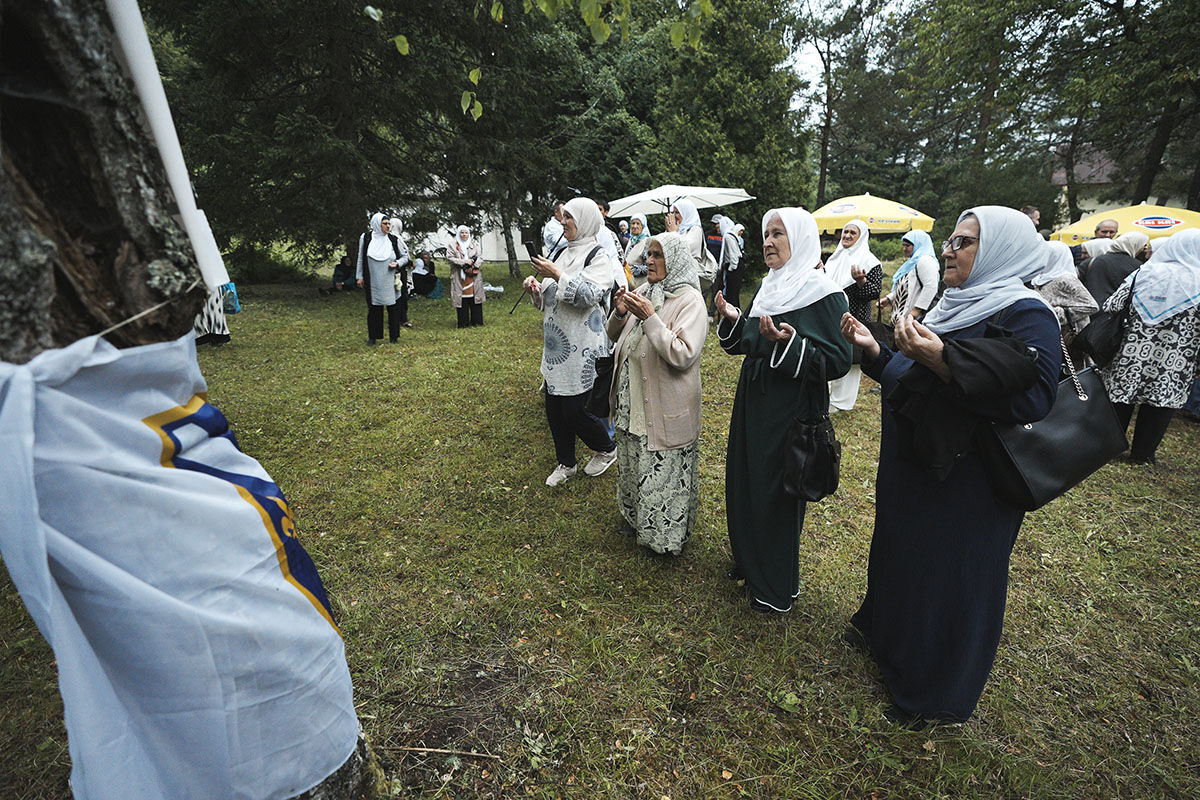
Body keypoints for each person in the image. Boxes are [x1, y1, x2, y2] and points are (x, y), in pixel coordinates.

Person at [840, 206, 1061, 726]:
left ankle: (936, 696)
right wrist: (876, 353)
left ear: (1002, 249)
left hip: (968, 484)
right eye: (951, 241)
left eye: (964, 242)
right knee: (903, 556)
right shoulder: (956, 301)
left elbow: (1033, 400)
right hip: (917, 466)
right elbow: (917, 382)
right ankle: (890, 642)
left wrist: (944, 361)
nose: (949, 249)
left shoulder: (1025, 313)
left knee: (950, 579)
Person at [715, 207, 851, 613]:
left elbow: (839, 359)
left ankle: (774, 585)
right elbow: (752, 340)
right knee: (746, 477)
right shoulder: (770, 285)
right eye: (766, 234)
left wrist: (788, 344)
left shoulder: (822, 292)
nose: (769, 242)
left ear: (801, 239)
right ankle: (749, 561)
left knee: (774, 490)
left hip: (788, 407)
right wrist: (736, 320)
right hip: (754, 400)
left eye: (779, 234)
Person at [606, 232, 708, 555]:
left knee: (661, 469)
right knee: (634, 458)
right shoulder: (648, 290)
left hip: (664, 408)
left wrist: (650, 318)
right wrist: (621, 311)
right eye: (648, 254)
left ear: (675, 260)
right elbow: (612, 334)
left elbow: (682, 354)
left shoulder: (690, 301)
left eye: (657, 255)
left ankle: (663, 540)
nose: (648, 261)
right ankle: (635, 520)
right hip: (632, 400)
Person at [523, 198, 618, 486]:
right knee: (554, 407)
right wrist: (536, 290)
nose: (563, 222)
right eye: (563, 217)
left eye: (570, 218)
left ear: (586, 220)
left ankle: (606, 449)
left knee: (575, 409)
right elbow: (551, 299)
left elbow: (589, 296)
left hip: (583, 345)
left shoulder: (599, 256)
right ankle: (566, 463)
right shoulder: (564, 252)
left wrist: (556, 274)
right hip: (556, 347)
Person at [1100, 229, 1200, 464]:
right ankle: (1142, 455)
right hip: (1177, 356)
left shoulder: (1143, 272)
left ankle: (1109, 449)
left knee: (1121, 399)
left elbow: (1112, 304)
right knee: (1161, 403)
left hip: (1130, 350)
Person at [823, 219, 883, 412]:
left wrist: (861, 281)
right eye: (845, 231)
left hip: (855, 316)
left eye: (852, 233)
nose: (847, 235)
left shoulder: (870, 261)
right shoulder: (834, 257)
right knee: (830, 352)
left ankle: (841, 403)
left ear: (861, 237)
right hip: (830, 315)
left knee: (851, 358)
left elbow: (873, 293)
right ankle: (826, 394)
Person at [1032, 240, 1098, 349]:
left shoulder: (1066, 279)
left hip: (1069, 338)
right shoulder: (1039, 278)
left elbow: (1091, 306)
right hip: (1048, 333)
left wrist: (1060, 312)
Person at [355, 213, 407, 345]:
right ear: (377, 224)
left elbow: (405, 257)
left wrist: (397, 263)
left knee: (393, 308)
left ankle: (394, 337)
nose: (388, 226)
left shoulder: (393, 239)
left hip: (390, 280)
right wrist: (359, 276)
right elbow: (361, 258)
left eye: (389, 224)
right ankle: (373, 337)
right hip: (373, 280)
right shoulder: (366, 238)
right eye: (385, 224)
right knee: (374, 309)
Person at [882, 230, 940, 321]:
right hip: (902, 320)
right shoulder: (911, 263)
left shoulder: (926, 261)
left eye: (907, 245)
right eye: (903, 245)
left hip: (914, 321)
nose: (904, 249)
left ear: (918, 244)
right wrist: (889, 298)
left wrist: (916, 310)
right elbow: (908, 287)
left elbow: (931, 286)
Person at [1082, 231, 1149, 305]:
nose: (1142, 249)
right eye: (1142, 246)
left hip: (1091, 308)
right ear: (1135, 245)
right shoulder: (1138, 266)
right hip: (1116, 311)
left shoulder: (1093, 261)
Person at [447, 225, 484, 328]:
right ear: (458, 234)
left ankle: (476, 322)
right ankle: (463, 323)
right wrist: (464, 262)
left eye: (466, 233)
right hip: (459, 277)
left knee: (475, 298)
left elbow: (480, 257)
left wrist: (473, 265)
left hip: (473, 276)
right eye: (462, 233)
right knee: (462, 298)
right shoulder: (452, 245)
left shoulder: (474, 245)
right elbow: (450, 258)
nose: (464, 235)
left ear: (469, 234)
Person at [715, 215, 744, 311]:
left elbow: (733, 255)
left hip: (734, 267)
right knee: (732, 292)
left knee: (732, 293)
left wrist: (731, 269)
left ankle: (734, 313)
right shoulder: (730, 234)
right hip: (734, 265)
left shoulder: (728, 236)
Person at [623, 213, 651, 286]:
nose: (635, 226)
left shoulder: (647, 243)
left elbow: (649, 267)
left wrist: (629, 270)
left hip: (640, 285)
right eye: (633, 223)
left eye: (638, 223)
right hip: (629, 284)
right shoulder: (630, 241)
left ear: (643, 226)